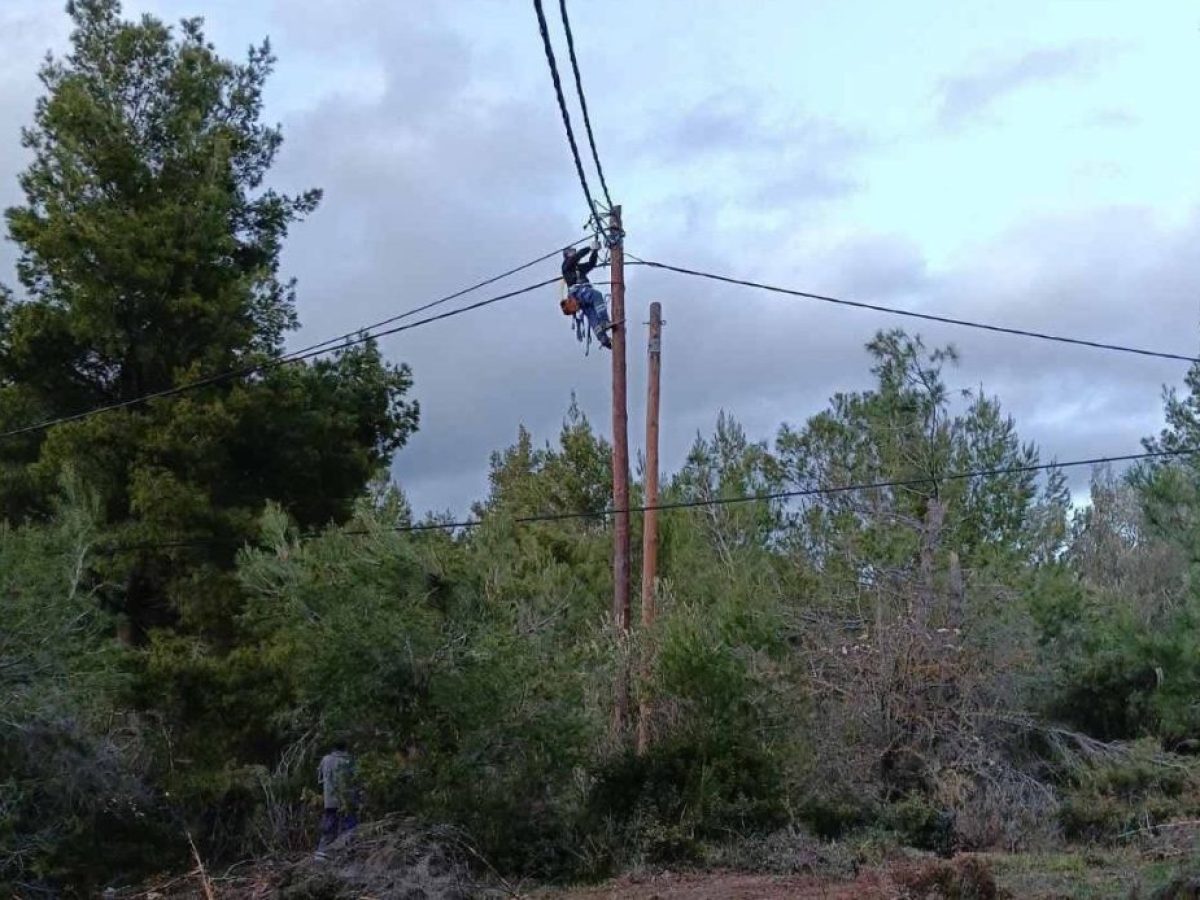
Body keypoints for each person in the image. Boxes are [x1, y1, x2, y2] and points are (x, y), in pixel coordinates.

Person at [561, 241, 612, 350]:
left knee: (592, 315)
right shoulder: (566, 266)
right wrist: (589, 248)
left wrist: (594, 251)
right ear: (566, 255)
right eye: (571, 252)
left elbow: (591, 264)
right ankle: (604, 321)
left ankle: (603, 339)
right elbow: (576, 258)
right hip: (577, 292)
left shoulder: (578, 268)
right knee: (596, 296)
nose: (573, 253)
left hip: (580, 296)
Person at [314, 740, 358, 860]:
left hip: (330, 799)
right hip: (347, 800)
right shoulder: (350, 760)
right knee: (349, 826)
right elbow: (356, 779)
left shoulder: (326, 760)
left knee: (329, 825)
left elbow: (320, 778)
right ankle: (348, 851)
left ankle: (322, 851)